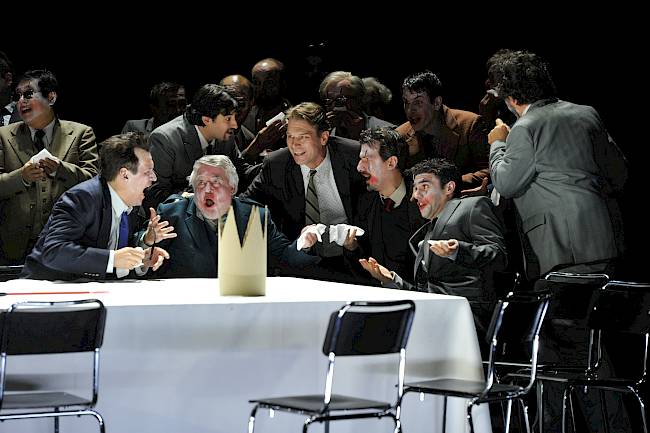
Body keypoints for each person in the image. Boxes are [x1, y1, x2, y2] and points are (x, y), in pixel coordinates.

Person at [487, 49, 627, 280]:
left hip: (563, 247)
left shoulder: (524, 127)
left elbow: (505, 183)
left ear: (511, 98)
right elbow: (619, 173)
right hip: (606, 236)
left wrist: (498, 143)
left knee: (565, 304)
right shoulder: (587, 113)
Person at [360, 158, 506, 339]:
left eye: (424, 187)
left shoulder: (472, 206)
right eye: (415, 188)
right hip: (433, 317)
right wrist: (391, 279)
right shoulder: (424, 234)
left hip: (466, 317)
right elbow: (424, 293)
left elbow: (499, 256)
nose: (415, 195)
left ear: (449, 188)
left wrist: (458, 251)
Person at [242, 102, 365, 282]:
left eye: (303, 137)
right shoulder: (277, 164)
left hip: (352, 261)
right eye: (290, 136)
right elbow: (246, 205)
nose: (294, 144)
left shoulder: (353, 156)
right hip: (300, 266)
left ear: (324, 138)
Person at [21, 132, 170, 280]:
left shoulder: (131, 203)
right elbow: (54, 251)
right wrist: (112, 259)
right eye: (147, 172)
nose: (154, 178)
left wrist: (140, 257)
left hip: (92, 288)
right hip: (45, 289)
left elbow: (114, 255)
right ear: (125, 174)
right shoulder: (82, 198)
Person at [149, 155, 319, 278]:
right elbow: (145, 256)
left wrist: (302, 244)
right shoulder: (173, 213)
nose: (207, 190)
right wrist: (146, 240)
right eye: (200, 183)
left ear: (232, 188)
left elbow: (284, 259)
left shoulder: (256, 216)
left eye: (216, 182)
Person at [0, 69, 98, 265]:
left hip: (68, 241)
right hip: (13, 246)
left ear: (51, 97)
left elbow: (96, 183)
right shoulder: (2, 135)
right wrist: (22, 177)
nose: (21, 101)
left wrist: (61, 169)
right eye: (18, 96)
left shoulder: (81, 133)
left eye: (28, 94)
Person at [145, 83, 245, 210]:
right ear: (206, 120)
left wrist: (268, 166)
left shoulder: (224, 135)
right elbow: (155, 193)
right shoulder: (165, 139)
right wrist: (196, 198)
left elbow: (240, 170)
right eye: (228, 119)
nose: (235, 125)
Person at [349, 127, 425, 283]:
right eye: (360, 159)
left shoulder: (424, 201)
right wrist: (352, 248)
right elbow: (361, 266)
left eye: (367, 159)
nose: (359, 167)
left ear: (391, 162)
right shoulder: (365, 202)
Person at [396, 71, 489, 196]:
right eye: (406, 102)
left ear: (436, 103)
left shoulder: (470, 124)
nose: (410, 110)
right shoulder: (400, 136)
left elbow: (490, 170)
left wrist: (447, 186)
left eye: (418, 102)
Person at [319, 71, 394, 140]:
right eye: (329, 101)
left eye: (341, 100)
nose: (334, 108)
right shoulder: (323, 133)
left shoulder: (387, 132)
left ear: (359, 100)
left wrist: (359, 136)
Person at [242, 58, 290, 153]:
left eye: (269, 82)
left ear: (283, 84)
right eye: (256, 82)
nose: (261, 88)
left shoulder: (296, 118)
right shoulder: (243, 117)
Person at [121, 81, 186, 134]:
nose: (178, 110)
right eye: (171, 105)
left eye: (182, 104)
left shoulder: (188, 131)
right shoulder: (134, 128)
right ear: (154, 109)